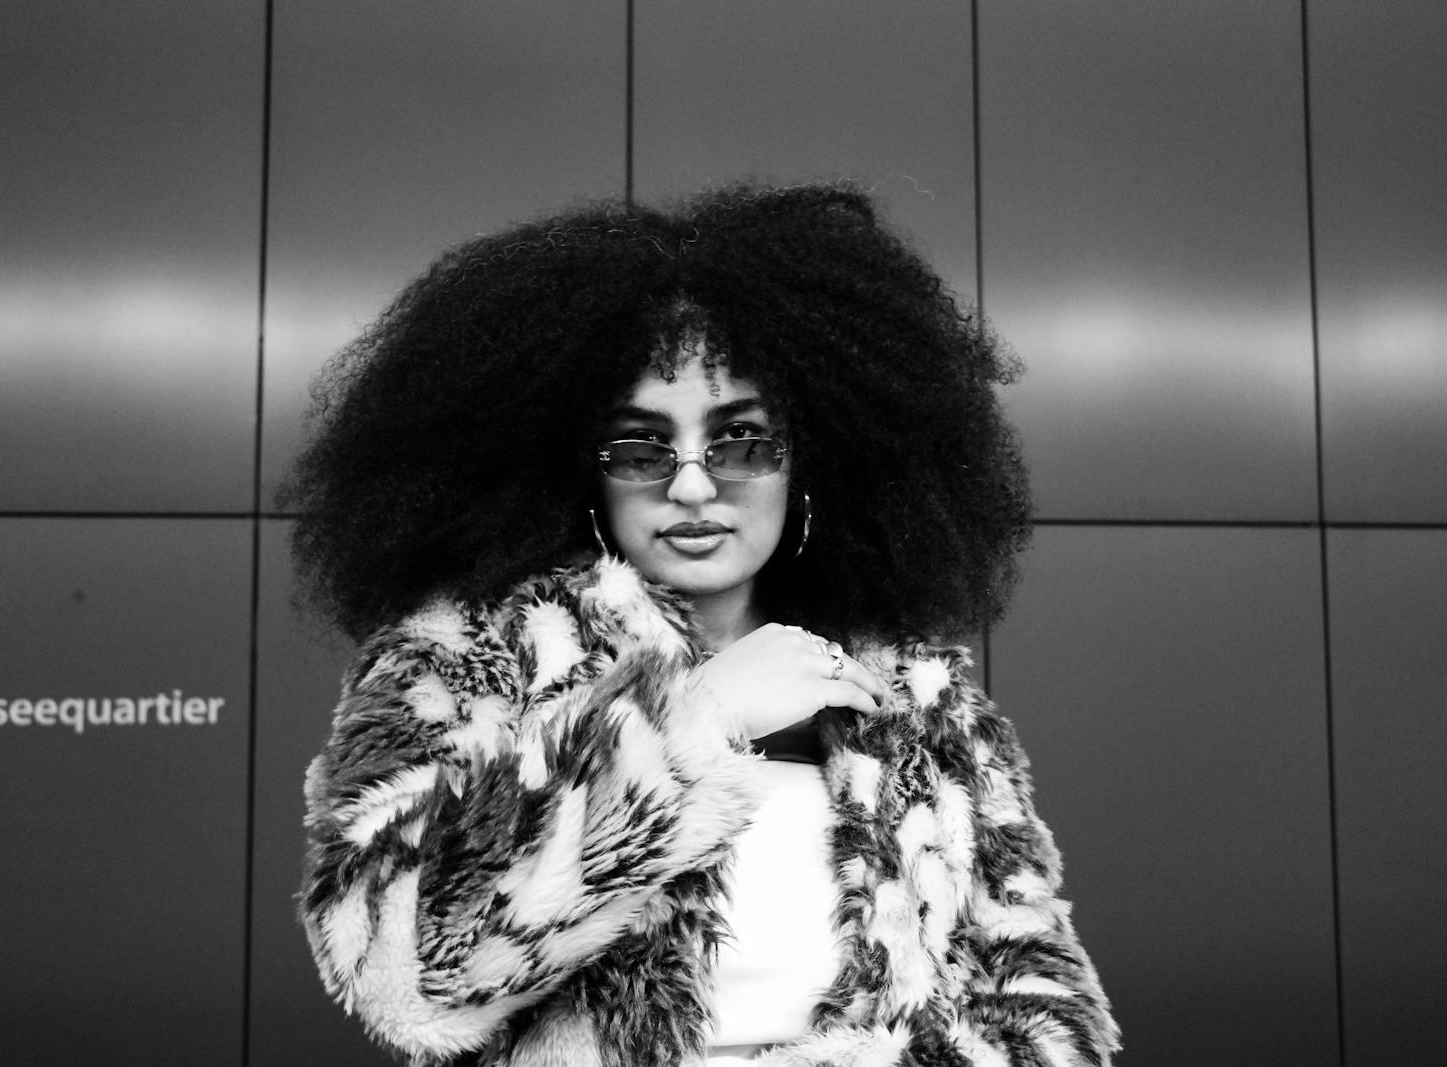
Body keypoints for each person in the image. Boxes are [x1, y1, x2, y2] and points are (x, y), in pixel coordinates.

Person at [287, 182, 1119, 1066]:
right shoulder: (473, 661)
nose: (692, 485)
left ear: (811, 462)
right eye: (643, 448)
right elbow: (402, 971)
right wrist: (693, 725)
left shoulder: (915, 694)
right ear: (582, 473)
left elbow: (1043, 1004)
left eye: (744, 443)